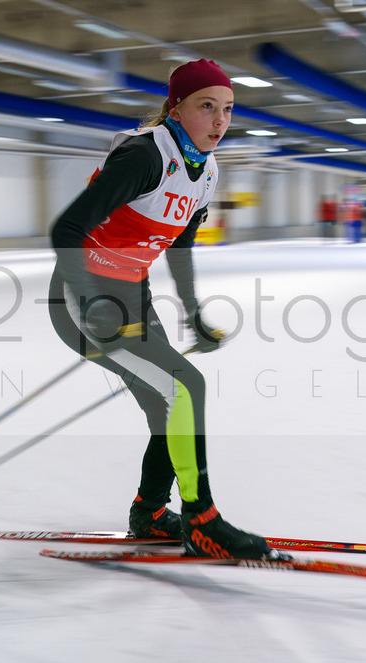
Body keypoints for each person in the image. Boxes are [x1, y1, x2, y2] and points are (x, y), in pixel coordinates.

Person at [48, 59, 273, 560]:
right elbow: (67, 231)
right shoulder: (145, 156)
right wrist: (97, 307)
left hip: (131, 290)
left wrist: (193, 314)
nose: (219, 121)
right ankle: (203, 521)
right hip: (79, 298)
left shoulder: (206, 171)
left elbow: (180, 248)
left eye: (228, 110)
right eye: (206, 107)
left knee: (167, 404)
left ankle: (149, 513)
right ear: (176, 107)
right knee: (185, 387)